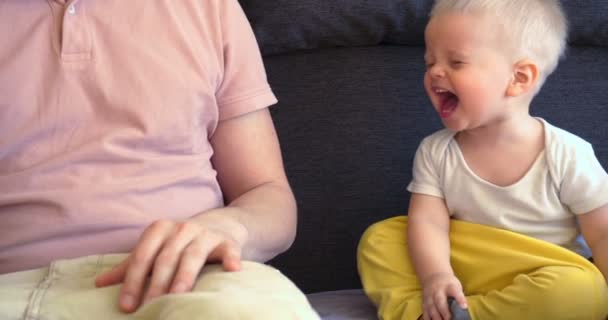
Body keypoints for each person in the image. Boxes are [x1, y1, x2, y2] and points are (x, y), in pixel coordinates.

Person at [0, 0, 319, 319]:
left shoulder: (209, 7)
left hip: (187, 282)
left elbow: (266, 192)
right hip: (10, 285)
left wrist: (229, 227)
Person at [357, 0, 608, 319]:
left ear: (518, 78)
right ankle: (424, 311)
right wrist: (435, 275)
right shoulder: (436, 151)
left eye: (456, 62)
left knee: (584, 289)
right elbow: (428, 223)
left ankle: (470, 314)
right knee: (380, 239)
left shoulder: (567, 153)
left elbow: (602, 234)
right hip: (461, 268)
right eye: (429, 61)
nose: (435, 71)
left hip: (541, 267)